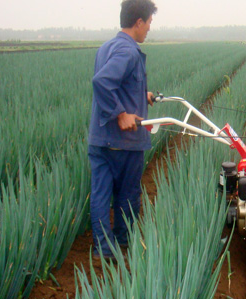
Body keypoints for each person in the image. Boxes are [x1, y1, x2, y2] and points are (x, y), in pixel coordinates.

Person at [88, 0, 157, 259]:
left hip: (99, 140)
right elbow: (103, 82)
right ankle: (123, 242)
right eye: (149, 22)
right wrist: (121, 114)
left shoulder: (108, 47)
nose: (149, 28)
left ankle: (102, 251)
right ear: (138, 22)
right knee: (127, 195)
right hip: (123, 142)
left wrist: (142, 94)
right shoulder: (128, 52)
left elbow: (115, 83)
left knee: (100, 194)